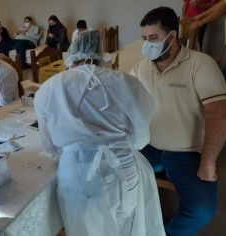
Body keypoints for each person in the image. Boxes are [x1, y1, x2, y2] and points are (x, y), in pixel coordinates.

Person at [34, 30, 165, 236]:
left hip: (76, 174)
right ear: (100, 53)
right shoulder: (126, 81)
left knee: (84, 229)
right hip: (123, 168)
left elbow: (50, 145)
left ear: (71, 53)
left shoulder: (49, 88)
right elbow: (140, 136)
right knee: (124, 226)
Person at [130, 7, 226, 236]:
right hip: (148, 146)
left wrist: (209, 163)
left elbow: (220, 114)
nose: (147, 44)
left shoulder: (201, 64)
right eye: (144, 39)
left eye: (153, 38)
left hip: (187, 153)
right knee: (108, 177)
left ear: (172, 36)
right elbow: (125, 100)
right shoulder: (141, 67)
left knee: (201, 210)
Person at [190, 0, 226, 84]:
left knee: (224, 76)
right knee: (224, 76)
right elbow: (223, 3)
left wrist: (201, 22)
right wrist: (201, 16)